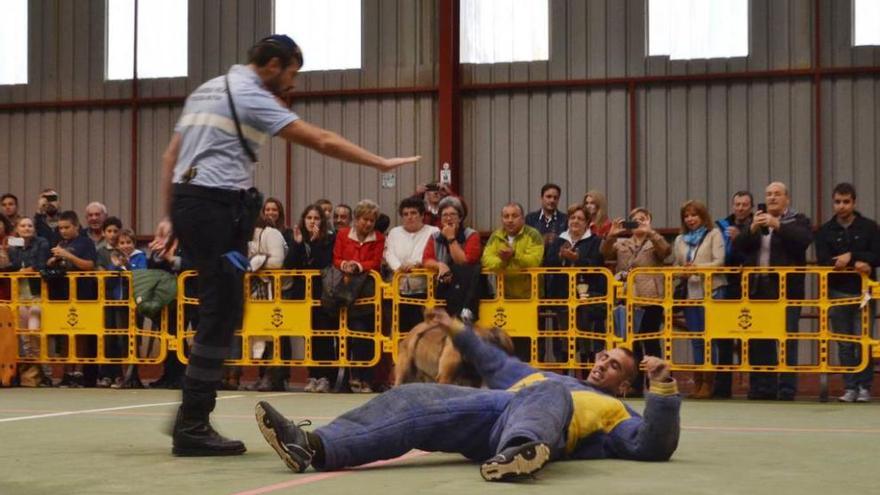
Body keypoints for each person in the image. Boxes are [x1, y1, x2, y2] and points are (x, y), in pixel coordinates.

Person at [154, 34, 419, 457]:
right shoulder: (250, 94)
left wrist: (169, 216)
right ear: (274, 65)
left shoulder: (208, 88)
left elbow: (172, 157)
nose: (292, 83)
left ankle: (192, 413)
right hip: (215, 207)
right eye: (292, 73)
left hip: (192, 204)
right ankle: (192, 422)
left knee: (222, 306)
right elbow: (322, 140)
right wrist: (380, 162)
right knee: (222, 308)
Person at [254, 310, 681, 481]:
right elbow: (492, 361)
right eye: (603, 357)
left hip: (544, 430)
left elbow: (651, 446)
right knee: (414, 399)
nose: (602, 365)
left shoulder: (616, 411)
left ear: (625, 385)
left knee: (549, 391)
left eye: (614, 367)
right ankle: (311, 445)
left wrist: (662, 388)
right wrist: (455, 326)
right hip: (492, 416)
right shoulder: (538, 374)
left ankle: (520, 453)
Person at [733, 182, 812, 401]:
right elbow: (739, 246)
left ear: (787, 198)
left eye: (777, 194)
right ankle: (762, 387)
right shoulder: (756, 220)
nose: (772, 198)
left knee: (787, 338)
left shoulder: (798, 220)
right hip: (758, 287)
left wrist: (777, 224)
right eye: (768, 194)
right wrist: (752, 229)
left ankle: (786, 388)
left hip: (787, 289)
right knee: (759, 339)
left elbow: (803, 242)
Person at [814, 183, 878, 403]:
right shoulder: (824, 231)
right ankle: (849, 387)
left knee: (864, 341)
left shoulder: (869, 227)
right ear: (833, 203)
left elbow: (877, 254)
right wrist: (839, 261)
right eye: (837, 202)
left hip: (864, 294)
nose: (841, 206)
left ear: (854, 202)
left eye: (846, 201)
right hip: (837, 292)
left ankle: (864, 387)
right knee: (844, 342)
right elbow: (822, 259)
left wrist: (853, 256)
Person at [601, 207, 671, 395]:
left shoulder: (653, 242)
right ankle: (635, 384)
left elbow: (665, 251)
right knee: (631, 344)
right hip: (627, 298)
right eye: (634, 220)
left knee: (650, 341)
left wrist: (651, 233)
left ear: (649, 220)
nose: (638, 222)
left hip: (650, 298)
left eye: (642, 219)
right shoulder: (622, 243)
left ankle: (656, 382)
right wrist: (611, 236)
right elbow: (605, 254)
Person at [671, 200, 726, 399]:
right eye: (686, 215)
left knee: (709, 339)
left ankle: (709, 383)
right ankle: (698, 381)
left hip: (711, 291)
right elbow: (675, 265)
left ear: (703, 217)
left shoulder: (714, 234)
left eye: (694, 215)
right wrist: (682, 272)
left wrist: (698, 268)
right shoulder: (679, 239)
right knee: (696, 339)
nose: (690, 219)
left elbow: (719, 261)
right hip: (690, 292)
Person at [331, 199, 385, 393]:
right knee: (347, 336)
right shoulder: (343, 234)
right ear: (356, 218)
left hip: (368, 293)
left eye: (371, 220)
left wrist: (359, 266)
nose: (368, 224)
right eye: (364, 219)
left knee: (366, 336)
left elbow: (376, 261)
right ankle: (348, 378)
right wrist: (345, 264)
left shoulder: (379, 237)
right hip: (345, 291)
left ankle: (365, 379)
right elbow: (336, 257)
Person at [286, 205, 337, 393]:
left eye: (316, 218)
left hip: (322, 294)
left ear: (322, 222)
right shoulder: (299, 239)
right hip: (303, 295)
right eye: (309, 218)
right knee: (309, 337)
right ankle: (312, 375)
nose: (312, 221)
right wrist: (297, 244)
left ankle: (325, 377)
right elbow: (288, 265)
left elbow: (324, 263)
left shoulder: (328, 239)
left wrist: (315, 243)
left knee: (323, 336)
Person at [712, 190, 754, 398]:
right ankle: (722, 388)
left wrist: (740, 239)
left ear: (751, 207)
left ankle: (756, 387)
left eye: (745, 205)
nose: (740, 208)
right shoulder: (721, 226)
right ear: (732, 205)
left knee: (755, 336)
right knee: (724, 338)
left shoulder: (758, 226)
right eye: (737, 204)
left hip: (752, 286)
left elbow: (753, 254)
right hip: (727, 285)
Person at [6, 217, 52, 387]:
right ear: (17, 229)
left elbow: (38, 265)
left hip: (37, 293)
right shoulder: (13, 244)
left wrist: (21, 270)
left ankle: (45, 372)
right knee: (24, 337)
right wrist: (17, 269)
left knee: (35, 331)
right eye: (23, 226)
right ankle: (33, 376)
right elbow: (11, 265)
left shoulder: (42, 243)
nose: (26, 228)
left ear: (34, 228)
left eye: (30, 225)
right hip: (19, 294)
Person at [422, 196, 482, 321]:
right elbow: (426, 260)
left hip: (467, 288)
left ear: (460, 217)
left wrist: (451, 238)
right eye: (444, 215)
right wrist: (440, 265)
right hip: (444, 286)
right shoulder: (434, 236)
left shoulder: (472, 235)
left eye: (453, 214)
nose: (448, 218)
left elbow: (464, 262)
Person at [383, 196, 439, 331]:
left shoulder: (434, 232)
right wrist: (398, 267)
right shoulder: (394, 232)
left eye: (413, 213)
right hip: (399, 289)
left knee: (423, 330)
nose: (410, 217)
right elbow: (389, 253)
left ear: (422, 215)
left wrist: (416, 264)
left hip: (424, 290)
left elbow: (433, 254)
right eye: (405, 214)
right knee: (399, 331)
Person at [525, 183, 568, 251]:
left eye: (555, 198)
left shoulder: (565, 219)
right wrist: (543, 240)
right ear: (541, 198)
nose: (552, 200)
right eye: (548, 196)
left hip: (556, 261)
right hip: (536, 260)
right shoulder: (530, 218)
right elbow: (526, 243)